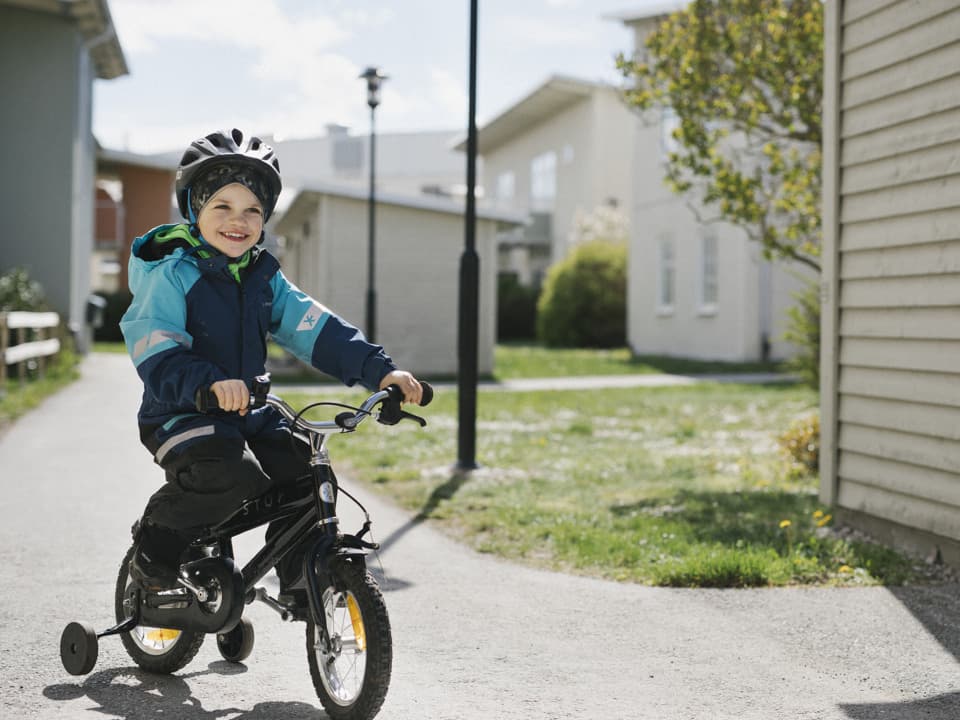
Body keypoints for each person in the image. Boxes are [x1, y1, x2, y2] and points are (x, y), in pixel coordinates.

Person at [120, 128, 422, 591]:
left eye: (252, 210)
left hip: (250, 413)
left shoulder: (263, 277)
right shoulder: (172, 274)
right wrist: (208, 383)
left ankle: (302, 579)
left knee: (306, 476)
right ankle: (154, 547)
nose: (237, 221)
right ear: (195, 210)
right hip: (181, 414)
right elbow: (156, 350)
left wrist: (381, 370)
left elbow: (316, 329)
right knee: (230, 475)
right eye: (222, 206)